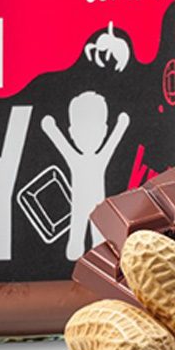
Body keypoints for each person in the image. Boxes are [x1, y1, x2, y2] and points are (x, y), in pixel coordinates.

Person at [41, 91, 130, 260]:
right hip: (80, 203)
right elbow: (60, 143)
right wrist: (50, 128)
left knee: (98, 236)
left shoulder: (100, 158)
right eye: (81, 131)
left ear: (104, 131)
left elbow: (113, 141)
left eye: (95, 130)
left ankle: (94, 253)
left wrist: (121, 125)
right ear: (71, 132)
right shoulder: (75, 158)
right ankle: (76, 246)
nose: (89, 136)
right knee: (77, 229)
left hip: (97, 204)